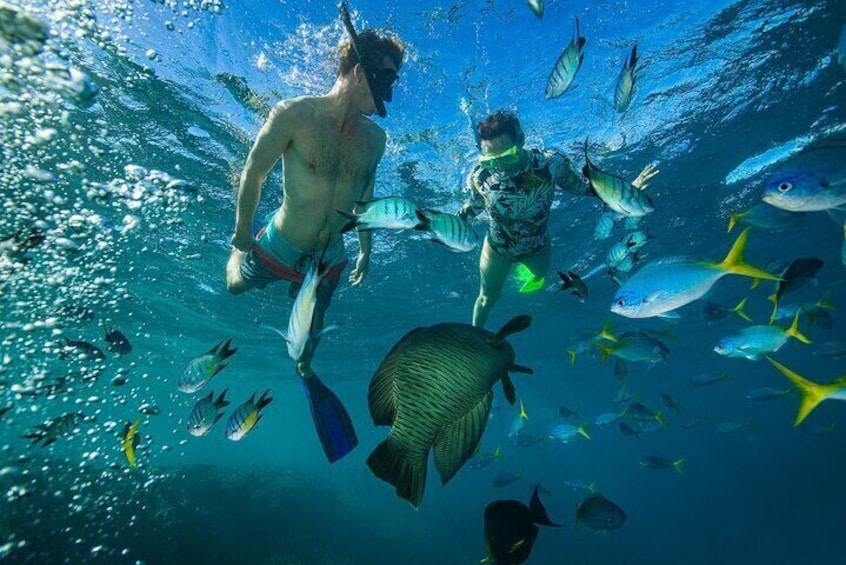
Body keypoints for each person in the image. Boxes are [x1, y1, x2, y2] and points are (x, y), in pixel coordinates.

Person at [224, 15, 405, 461]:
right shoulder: (295, 115)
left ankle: (305, 372)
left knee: (305, 349)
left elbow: (366, 197)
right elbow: (253, 172)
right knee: (234, 285)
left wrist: (365, 250)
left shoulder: (375, 140)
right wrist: (243, 233)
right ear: (359, 69)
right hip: (280, 244)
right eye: (385, 78)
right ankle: (234, 259)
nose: (390, 92)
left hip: (331, 257)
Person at [458, 110, 657, 328]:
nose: (500, 167)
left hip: (537, 247)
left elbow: (584, 187)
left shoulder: (551, 165)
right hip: (496, 249)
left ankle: (529, 277)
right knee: (486, 298)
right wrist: (445, 227)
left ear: (522, 140)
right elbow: (473, 206)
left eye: (507, 157)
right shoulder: (480, 175)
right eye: (490, 160)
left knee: (539, 276)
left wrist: (627, 192)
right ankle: (473, 337)